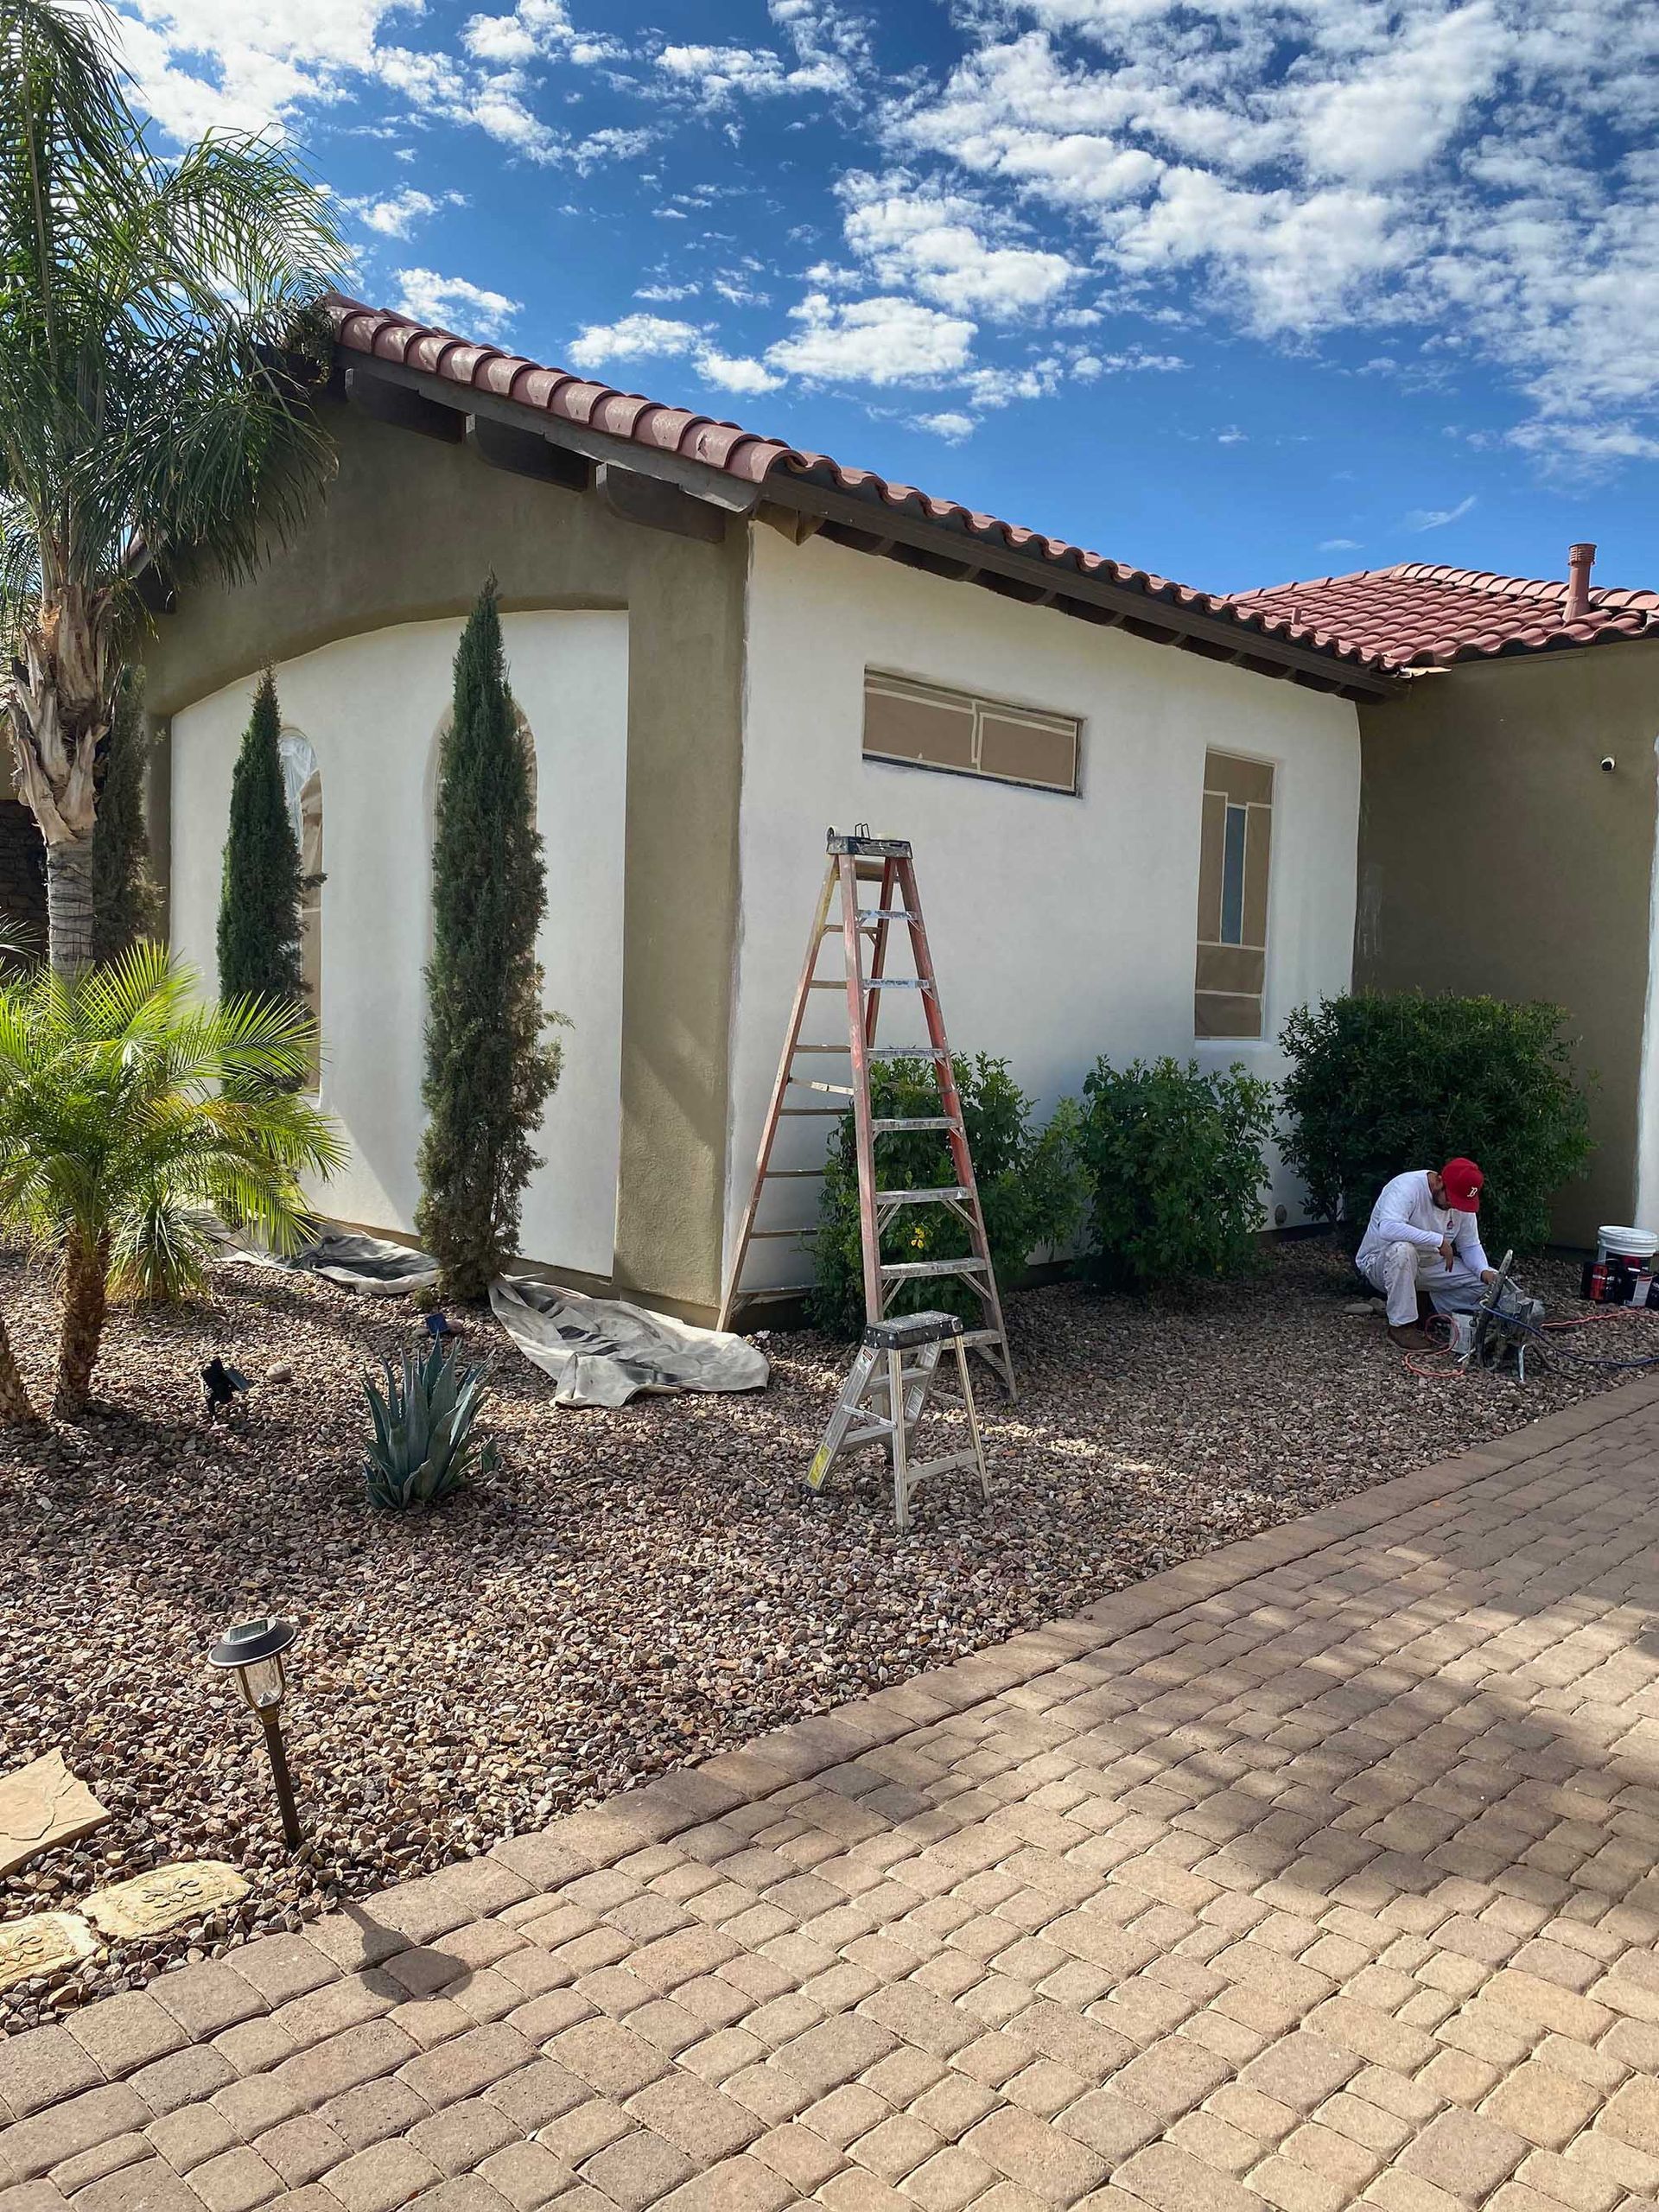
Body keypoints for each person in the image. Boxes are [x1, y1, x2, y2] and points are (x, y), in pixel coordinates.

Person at [1356, 1158, 1497, 1351]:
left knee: (1492, 1283)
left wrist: (1483, 1271)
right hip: (1382, 1263)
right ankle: (1401, 1327)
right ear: (1439, 1181)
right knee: (1403, 1250)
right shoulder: (1406, 1187)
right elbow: (1388, 1228)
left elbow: (1470, 1244)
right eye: (1451, 1199)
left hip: (1431, 1265)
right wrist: (1437, 1240)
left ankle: (1438, 1312)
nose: (1453, 1206)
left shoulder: (1461, 1201)